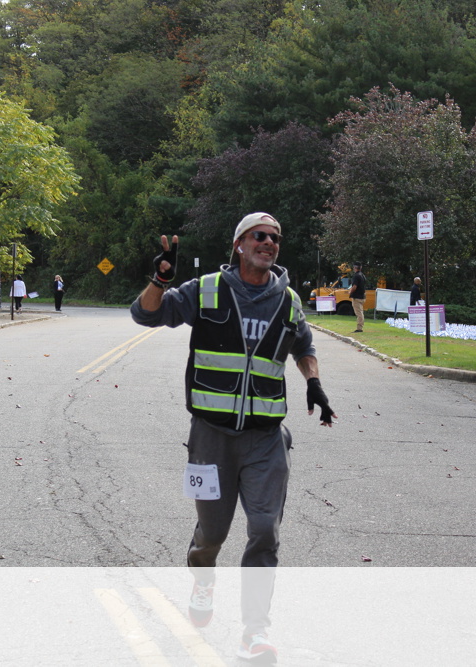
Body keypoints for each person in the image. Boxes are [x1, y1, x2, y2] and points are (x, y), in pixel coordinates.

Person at [131, 212, 337, 663]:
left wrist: (314, 382)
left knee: (265, 530)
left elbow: (304, 346)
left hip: (266, 438)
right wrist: (160, 280)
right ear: (239, 244)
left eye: (275, 238)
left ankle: (254, 632)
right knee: (212, 532)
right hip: (210, 438)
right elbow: (145, 314)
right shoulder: (207, 290)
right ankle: (202, 577)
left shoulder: (288, 301)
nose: (269, 242)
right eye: (259, 236)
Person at [349, 261, 366, 332]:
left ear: (355, 268)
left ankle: (359, 328)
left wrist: (350, 292)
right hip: (362, 296)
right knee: (360, 312)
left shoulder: (356, 276)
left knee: (359, 313)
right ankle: (360, 326)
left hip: (357, 297)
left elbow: (354, 286)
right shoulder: (362, 275)